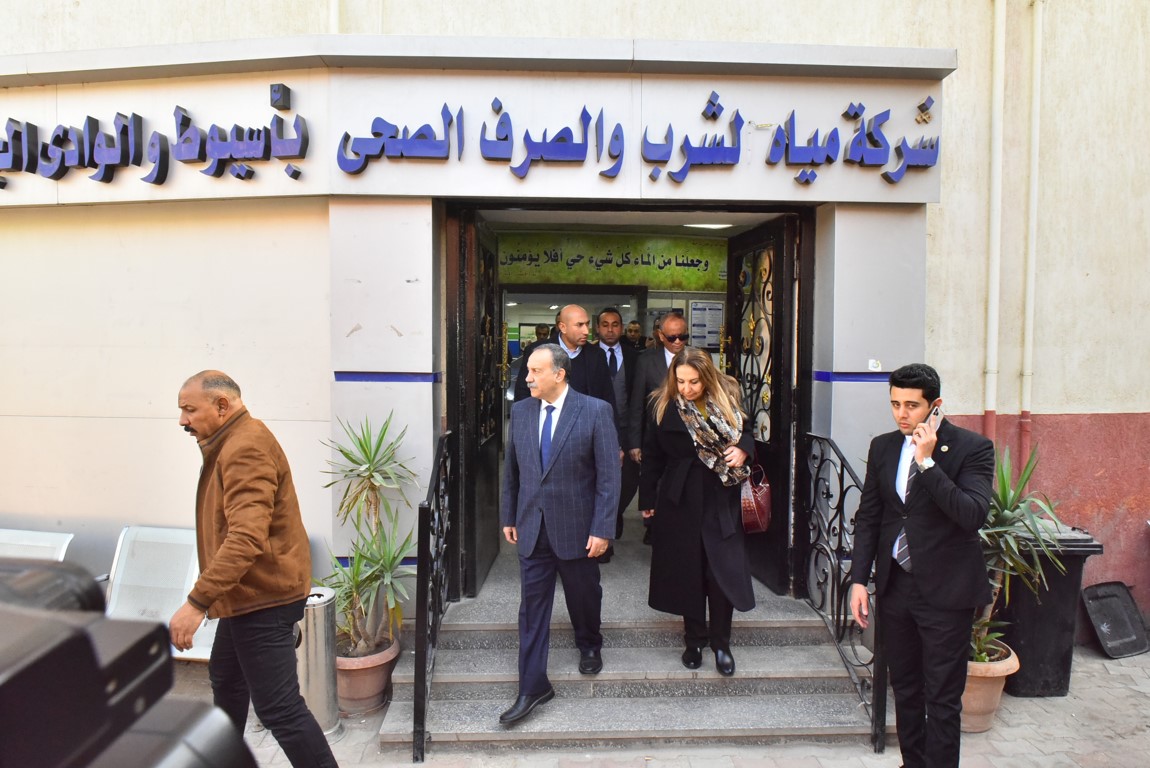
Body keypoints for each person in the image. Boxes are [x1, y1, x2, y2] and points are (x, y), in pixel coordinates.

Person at [171, 371, 338, 768]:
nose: (182, 420)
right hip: (247, 595)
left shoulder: (244, 446)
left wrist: (196, 603)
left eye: (189, 410)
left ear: (222, 405)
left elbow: (246, 538)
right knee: (227, 680)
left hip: (262, 598)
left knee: (280, 709)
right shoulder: (232, 441)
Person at [848, 363, 994, 768]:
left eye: (912, 405)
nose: (901, 414)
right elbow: (870, 517)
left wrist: (927, 463)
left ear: (936, 405)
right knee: (906, 688)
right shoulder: (882, 447)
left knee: (942, 698)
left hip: (947, 592)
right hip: (896, 587)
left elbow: (971, 514)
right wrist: (858, 580)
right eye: (895, 403)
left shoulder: (972, 448)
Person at [499, 344, 620, 724]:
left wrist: (602, 529)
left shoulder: (595, 411)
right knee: (531, 610)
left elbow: (609, 477)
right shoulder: (521, 412)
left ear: (559, 374)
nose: (527, 378)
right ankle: (532, 686)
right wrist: (509, 515)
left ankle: (589, 643)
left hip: (578, 530)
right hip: (532, 527)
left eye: (535, 371)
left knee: (584, 596)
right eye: (528, 371)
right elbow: (512, 471)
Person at [638, 347, 755, 676]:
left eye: (694, 382)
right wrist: (647, 500)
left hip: (722, 496)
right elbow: (652, 455)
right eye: (680, 381)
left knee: (721, 574)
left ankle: (721, 644)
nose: (686, 388)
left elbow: (748, 433)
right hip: (680, 498)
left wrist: (743, 450)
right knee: (687, 572)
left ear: (708, 377)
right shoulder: (662, 404)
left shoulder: (728, 397)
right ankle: (693, 641)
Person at [625, 311, 690, 544]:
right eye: (672, 337)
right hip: (655, 435)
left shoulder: (697, 358)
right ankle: (652, 525)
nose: (678, 342)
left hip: (688, 435)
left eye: (683, 336)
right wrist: (634, 442)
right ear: (661, 336)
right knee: (652, 479)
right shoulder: (646, 360)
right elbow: (636, 403)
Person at [593, 306, 640, 562]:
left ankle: (615, 514)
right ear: (597, 328)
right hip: (596, 429)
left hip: (626, 428)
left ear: (621, 328)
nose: (610, 330)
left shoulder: (635, 357)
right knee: (599, 482)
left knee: (628, 481)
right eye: (605, 325)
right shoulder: (588, 355)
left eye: (615, 325)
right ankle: (604, 540)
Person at [514, 304, 614, 409]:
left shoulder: (597, 355)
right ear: (563, 327)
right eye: (579, 325)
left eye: (587, 324)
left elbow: (607, 395)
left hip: (587, 418)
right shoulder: (536, 351)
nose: (586, 331)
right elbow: (523, 392)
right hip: (547, 418)